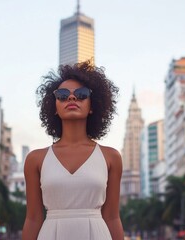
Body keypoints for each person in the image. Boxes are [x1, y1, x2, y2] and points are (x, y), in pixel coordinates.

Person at [22, 60, 124, 240]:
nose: (71, 98)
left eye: (81, 94)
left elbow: (112, 217)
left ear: (92, 106)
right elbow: (33, 219)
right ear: (54, 106)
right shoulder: (35, 159)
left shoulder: (111, 157)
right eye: (62, 95)